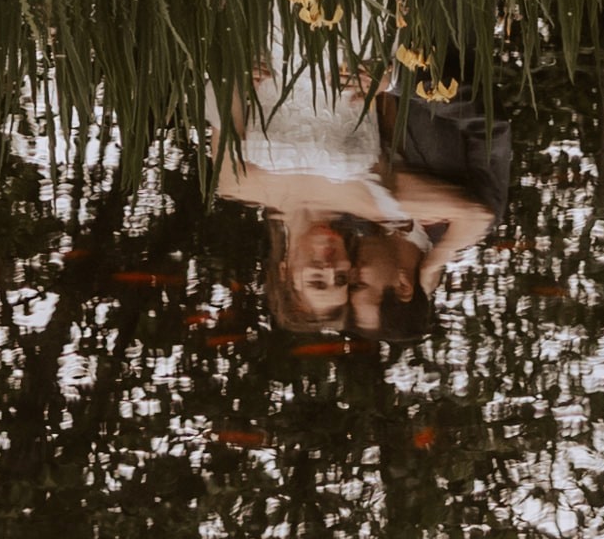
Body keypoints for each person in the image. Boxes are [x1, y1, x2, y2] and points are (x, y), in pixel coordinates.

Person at [215, 57, 511, 337]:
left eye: (346, 281)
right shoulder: (442, 217)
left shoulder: (352, 217)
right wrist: (397, 79)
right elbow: (489, 121)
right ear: (405, 285)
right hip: (424, 34)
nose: (345, 269)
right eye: (357, 282)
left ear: (286, 272)